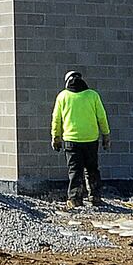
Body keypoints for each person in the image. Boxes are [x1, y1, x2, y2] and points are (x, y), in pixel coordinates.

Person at [51, 69, 111, 207]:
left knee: (75, 170)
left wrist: (56, 137)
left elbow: (56, 119)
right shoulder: (92, 95)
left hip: (71, 141)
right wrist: (106, 135)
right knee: (92, 169)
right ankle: (95, 197)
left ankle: (75, 199)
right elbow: (102, 117)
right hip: (91, 140)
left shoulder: (62, 96)